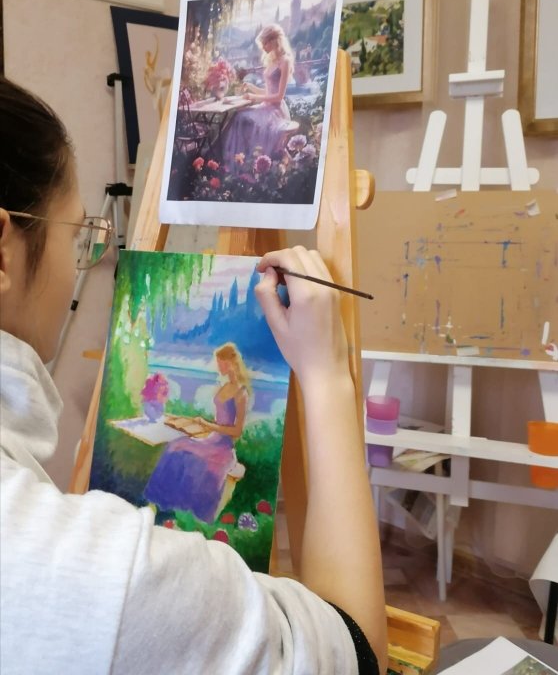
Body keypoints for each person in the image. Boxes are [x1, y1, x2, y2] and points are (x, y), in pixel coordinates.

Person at [0, 76, 387, 674]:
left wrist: (205, 428)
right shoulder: (115, 582)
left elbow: (229, 432)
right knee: (180, 455)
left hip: (217, 446)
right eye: (77, 237)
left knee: (185, 452)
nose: (79, 265)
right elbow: (355, 653)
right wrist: (327, 376)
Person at [143, 343, 250, 522]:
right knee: (175, 446)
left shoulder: (241, 393)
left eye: (221, 363)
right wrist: (203, 426)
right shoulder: (224, 387)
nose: (219, 367)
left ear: (231, 363)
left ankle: (183, 510)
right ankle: (159, 502)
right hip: (212, 438)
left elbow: (237, 431)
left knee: (195, 462)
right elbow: (219, 420)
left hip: (222, 446)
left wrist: (209, 426)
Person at [222, 24, 294, 170]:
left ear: (274, 40)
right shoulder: (273, 60)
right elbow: (268, 92)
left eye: (265, 43)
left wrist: (254, 97)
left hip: (275, 110)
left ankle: (250, 162)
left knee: (241, 118)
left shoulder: (285, 61)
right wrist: (251, 87)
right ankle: (238, 160)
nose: (263, 47)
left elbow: (279, 97)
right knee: (238, 114)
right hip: (266, 106)